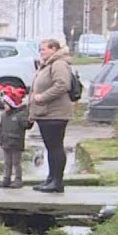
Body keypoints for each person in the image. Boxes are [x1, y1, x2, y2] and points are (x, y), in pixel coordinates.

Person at [29, 38, 74, 193]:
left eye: (44, 49)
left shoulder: (59, 64)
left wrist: (43, 97)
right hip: (45, 112)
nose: (41, 52)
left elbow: (62, 85)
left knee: (55, 147)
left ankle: (57, 181)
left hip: (55, 113)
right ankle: (51, 178)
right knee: (50, 147)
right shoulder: (48, 64)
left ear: (54, 49)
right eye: (40, 49)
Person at [0, 85, 31, 189]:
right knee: (7, 162)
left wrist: (29, 118)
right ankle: (6, 179)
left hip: (16, 143)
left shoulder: (20, 115)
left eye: (6, 104)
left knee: (16, 162)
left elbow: (26, 125)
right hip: (6, 142)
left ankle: (18, 179)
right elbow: (1, 129)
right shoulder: (4, 116)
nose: (4, 106)